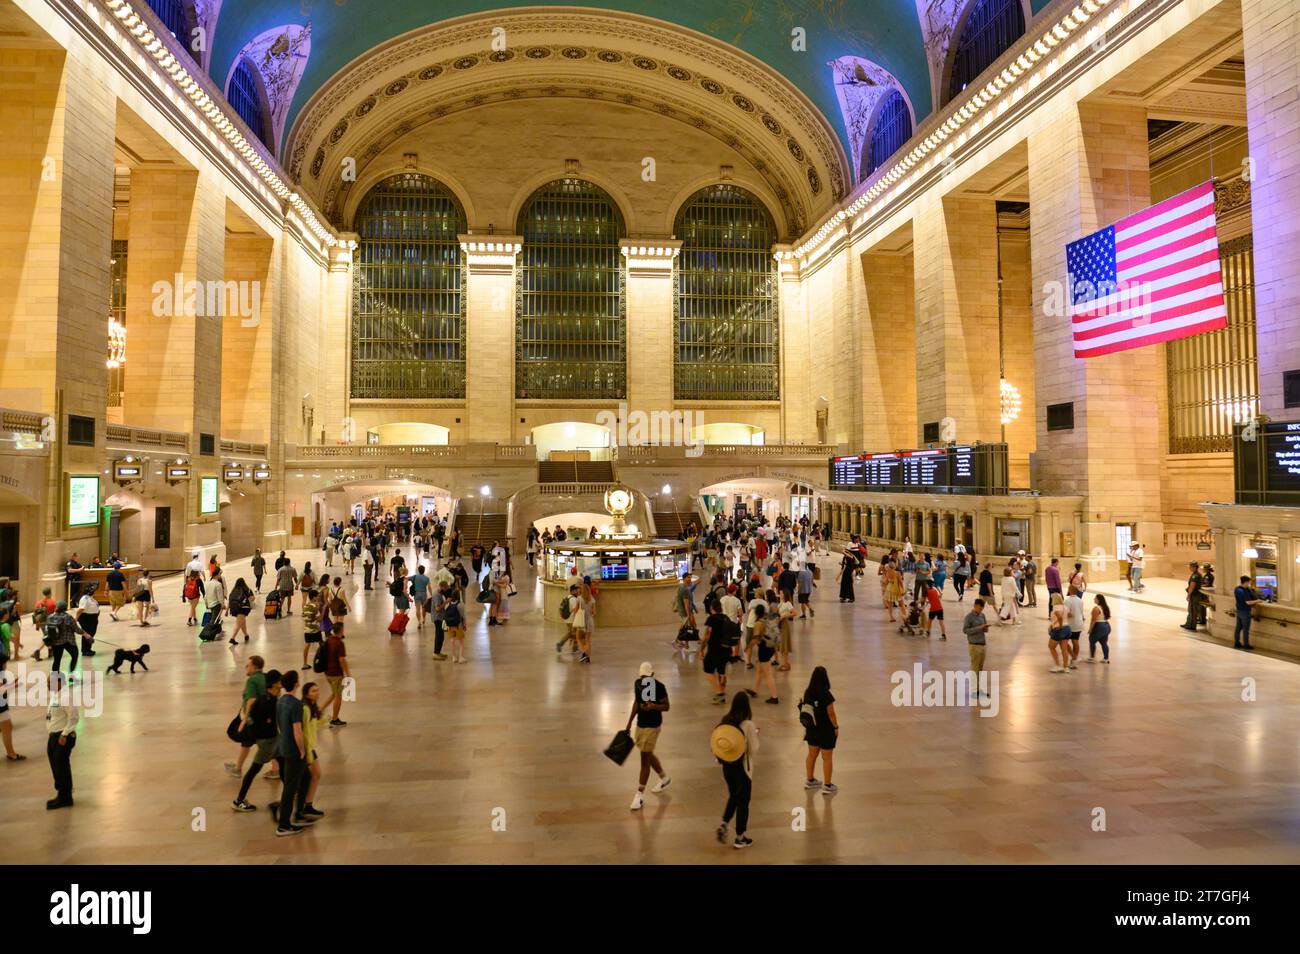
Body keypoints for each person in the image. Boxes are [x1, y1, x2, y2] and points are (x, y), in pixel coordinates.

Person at [712, 692, 758, 849]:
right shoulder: (748, 725)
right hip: (743, 770)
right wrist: (755, 735)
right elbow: (753, 749)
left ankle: (724, 823)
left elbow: (718, 741)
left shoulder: (726, 720)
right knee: (743, 802)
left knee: (734, 795)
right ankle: (740, 837)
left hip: (727, 767)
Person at [232, 669, 282, 812]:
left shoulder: (268, 698)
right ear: (273, 684)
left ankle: (292, 793)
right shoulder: (268, 702)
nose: (281, 684)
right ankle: (239, 800)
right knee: (254, 770)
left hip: (272, 740)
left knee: (283, 763)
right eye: (280, 681)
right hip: (267, 743)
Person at [627, 662, 671, 810]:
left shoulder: (659, 686)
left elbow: (666, 706)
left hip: (653, 726)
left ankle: (639, 795)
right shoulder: (638, 684)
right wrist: (629, 723)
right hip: (640, 725)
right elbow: (636, 703)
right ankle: (664, 778)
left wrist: (654, 706)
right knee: (647, 753)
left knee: (644, 759)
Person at [272, 669, 307, 836]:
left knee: (303, 778)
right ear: (296, 684)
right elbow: (297, 730)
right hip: (293, 750)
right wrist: (302, 749)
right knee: (290, 788)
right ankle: (284, 824)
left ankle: (300, 812)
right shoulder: (296, 704)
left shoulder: (280, 701)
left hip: (282, 747)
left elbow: (279, 724)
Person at [801, 666, 838, 794]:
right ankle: (827, 785)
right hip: (825, 730)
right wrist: (836, 727)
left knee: (811, 755)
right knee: (827, 757)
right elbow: (831, 713)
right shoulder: (826, 693)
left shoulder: (808, 692)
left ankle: (810, 780)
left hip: (812, 729)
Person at [45, 671, 78, 809]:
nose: (48, 685)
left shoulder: (65, 696)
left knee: (61, 766)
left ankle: (65, 797)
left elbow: (74, 717)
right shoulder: (56, 695)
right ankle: (62, 793)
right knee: (56, 765)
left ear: (59, 682)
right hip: (54, 735)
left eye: (50, 682)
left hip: (62, 736)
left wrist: (64, 734)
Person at [700, 597, 735, 704]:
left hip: (715, 649)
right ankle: (722, 694)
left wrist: (702, 649)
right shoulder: (726, 618)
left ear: (711, 608)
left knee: (708, 670)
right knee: (721, 672)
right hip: (726, 649)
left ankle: (719, 693)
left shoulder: (711, 619)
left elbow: (706, 636)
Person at [744, 605, 779, 705]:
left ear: (756, 613)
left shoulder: (758, 623)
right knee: (759, 670)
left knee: (768, 674)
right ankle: (754, 690)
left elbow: (755, 639)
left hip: (764, 649)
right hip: (770, 647)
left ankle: (774, 697)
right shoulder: (767, 620)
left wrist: (748, 647)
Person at [43, 601, 82, 678]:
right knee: (74, 656)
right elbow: (76, 629)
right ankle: (71, 676)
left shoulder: (50, 617)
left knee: (57, 660)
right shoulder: (68, 617)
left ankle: (54, 678)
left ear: (56, 608)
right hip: (68, 641)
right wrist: (84, 633)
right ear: (65, 609)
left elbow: (47, 630)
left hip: (55, 642)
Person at [324, 620, 350, 725]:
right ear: (341, 631)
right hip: (336, 673)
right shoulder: (339, 643)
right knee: (338, 696)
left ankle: (319, 710)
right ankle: (335, 719)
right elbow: (342, 660)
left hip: (327, 672)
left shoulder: (329, 640)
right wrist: (348, 673)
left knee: (334, 694)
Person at [963, 598, 991, 691]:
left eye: (982, 609)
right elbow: (965, 630)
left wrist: (985, 628)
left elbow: (984, 628)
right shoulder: (969, 617)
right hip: (974, 645)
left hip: (982, 644)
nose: (980, 610)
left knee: (980, 668)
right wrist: (979, 628)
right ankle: (974, 690)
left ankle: (979, 688)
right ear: (975, 606)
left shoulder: (982, 616)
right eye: (979, 608)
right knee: (975, 668)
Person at [1232, 576, 1262, 650]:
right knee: (1246, 629)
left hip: (1239, 610)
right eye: (1249, 582)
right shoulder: (1241, 591)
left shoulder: (1238, 589)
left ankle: (1237, 643)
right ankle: (1246, 644)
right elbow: (1247, 602)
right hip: (1245, 611)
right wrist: (1258, 601)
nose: (1249, 584)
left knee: (1238, 628)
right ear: (1245, 582)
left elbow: (1252, 596)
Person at [73, 586, 100, 657]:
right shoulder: (85, 598)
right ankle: (85, 651)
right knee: (87, 633)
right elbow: (80, 609)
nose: (93, 591)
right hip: (86, 618)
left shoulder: (91, 599)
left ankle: (88, 649)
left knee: (92, 633)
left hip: (93, 618)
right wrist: (75, 619)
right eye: (92, 590)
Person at [1048, 594, 1071, 673]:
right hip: (1067, 628)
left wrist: (1060, 626)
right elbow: (1070, 615)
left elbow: (1060, 617)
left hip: (1060, 629)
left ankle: (1058, 665)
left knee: (1051, 647)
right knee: (1064, 649)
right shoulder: (1065, 607)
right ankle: (1066, 667)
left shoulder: (1055, 607)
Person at [1086, 594, 1113, 663]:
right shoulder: (1105, 607)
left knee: (1092, 641)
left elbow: (1093, 620)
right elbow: (1108, 617)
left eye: (1095, 598)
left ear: (1098, 600)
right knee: (1104, 642)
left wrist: (1090, 629)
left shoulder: (1096, 608)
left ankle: (1092, 658)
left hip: (1099, 626)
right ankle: (1106, 658)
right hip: (1106, 625)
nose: (1094, 599)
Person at [301, 588, 322, 671]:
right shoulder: (315, 606)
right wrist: (322, 611)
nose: (318, 598)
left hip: (307, 629)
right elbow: (319, 619)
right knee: (321, 645)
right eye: (317, 596)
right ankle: (322, 661)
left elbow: (304, 616)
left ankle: (305, 663)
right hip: (315, 629)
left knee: (307, 645)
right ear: (314, 597)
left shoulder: (305, 605)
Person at [228, 577, 253, 644]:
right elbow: (252, 598)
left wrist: (227, 610)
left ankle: (246, 635)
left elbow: (229, 600)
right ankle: (232, 638)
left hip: (234, 608)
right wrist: (248, 602)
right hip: (243, 608)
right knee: (238, 623)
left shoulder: (233, 590)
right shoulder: (247, 589)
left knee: (242, 622)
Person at [775, 591, 795, 670]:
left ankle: (786, 664)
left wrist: (785, 616)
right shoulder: (781, 603)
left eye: (782, 593)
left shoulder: (788, 604)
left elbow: (794, 613)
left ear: (785, 595)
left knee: (784, 645)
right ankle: (785, 663)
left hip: (784, 624)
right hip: (779, 624)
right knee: (781, 646)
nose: (780, 594)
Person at [1182, 562, 1204, 632]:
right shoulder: (1197, 574)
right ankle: (1189, 624)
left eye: (1190, 567)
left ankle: (1191, 625)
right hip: (1195, 595)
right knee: (1191, 610)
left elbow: (1192, 585)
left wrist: (1189, 594)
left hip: (1195, 595)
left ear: (1194, 567)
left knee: (1193, 610)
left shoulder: (1195, 575)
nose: (1189, 568)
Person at [409, 565, 431, 629]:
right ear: (424, 571)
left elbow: (407, 578)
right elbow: (429, 587)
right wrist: (432, 594)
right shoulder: (427, 578)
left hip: (417, 594)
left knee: (418, 609)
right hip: (424, 594)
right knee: (424, 608)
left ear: (418, 570)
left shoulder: (415, 577)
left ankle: (419, 622)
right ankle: (424, 619)